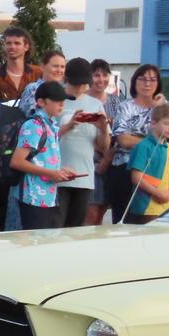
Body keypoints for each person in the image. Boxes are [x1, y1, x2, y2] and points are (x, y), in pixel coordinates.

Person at [0, 26, 42, 232]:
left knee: (27, 197)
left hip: (31, 146)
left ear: (26, 47)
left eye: (17, 43)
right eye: (8, 43)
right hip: (0, 146)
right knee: (0, 198)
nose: (12, 47)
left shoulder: (38, 75)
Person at [10, 81, 78, 230]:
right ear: (41, 102)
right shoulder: (34, 125)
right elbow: (17, 161)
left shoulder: (50, 124)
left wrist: (60, 171)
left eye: (63, 100)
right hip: (33, 196)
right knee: (35, 241)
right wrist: (52, 173)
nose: (61, 104)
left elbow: (43, 158)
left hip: (47, 196)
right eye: (56, 100)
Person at [55, 58, 110, 227]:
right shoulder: (56, 100)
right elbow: (44, 138)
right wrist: (69, 124)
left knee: (76, 229)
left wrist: (103, 128)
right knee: (55, 227)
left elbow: (103, 147)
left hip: (84, 177)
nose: (80, 87)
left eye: (83, 83)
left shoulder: (95, 104)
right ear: (66, 78)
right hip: (57, 176)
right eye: (76, 83)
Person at [109, 64, 166, 223]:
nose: (147, 84)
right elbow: (123, 140)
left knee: (151, 220)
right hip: (126, 167)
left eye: (152, 80)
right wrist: (149, 144)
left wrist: (157, 110)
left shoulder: (163, 108)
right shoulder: (125, 106)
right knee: (124, 220)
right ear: (135, 82)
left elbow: (166, 138)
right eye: (143, 79)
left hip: (154, 170)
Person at [125, 105, 169, 224]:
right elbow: (136, 177)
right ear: (153, 123)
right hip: (145, 207)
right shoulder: (143, 146)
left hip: (165, 206)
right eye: (167, 123)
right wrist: (158, 193)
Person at [86, 59, 117, 224]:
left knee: (101, 215)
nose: (101, 80)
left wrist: (107, 158)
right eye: (96, 75)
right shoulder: (83, 100)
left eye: (105, 75)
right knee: (90, 214)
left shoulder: (116, 101)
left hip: (111, 161)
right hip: (90, 162)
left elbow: (119, 132)